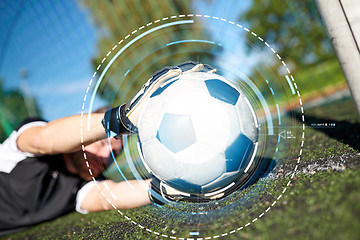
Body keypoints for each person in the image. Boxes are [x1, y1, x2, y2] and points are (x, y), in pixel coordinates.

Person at [0, 61, 215, 236]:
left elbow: (107, 196)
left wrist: (167, 188)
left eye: (114, 154)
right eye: (102, 143)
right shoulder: (27, 138)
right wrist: (123, 120)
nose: (105, 157)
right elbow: (43, 139)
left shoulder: (80, 188)